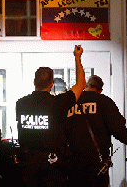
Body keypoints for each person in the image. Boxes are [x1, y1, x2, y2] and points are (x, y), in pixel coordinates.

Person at [15, 45, 86, 187]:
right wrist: (77, 58)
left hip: (27, 162)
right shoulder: (58, 103)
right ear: (52, 84)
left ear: (34, 82)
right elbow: (81, 84)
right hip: (51, 164)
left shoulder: (21, 103)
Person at [65, 75, 127, 187]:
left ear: (86, 86)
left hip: (72, 164)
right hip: (96, 164)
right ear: (100, 90)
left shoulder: (71, 103)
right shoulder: (104, 102)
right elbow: (119, 130)